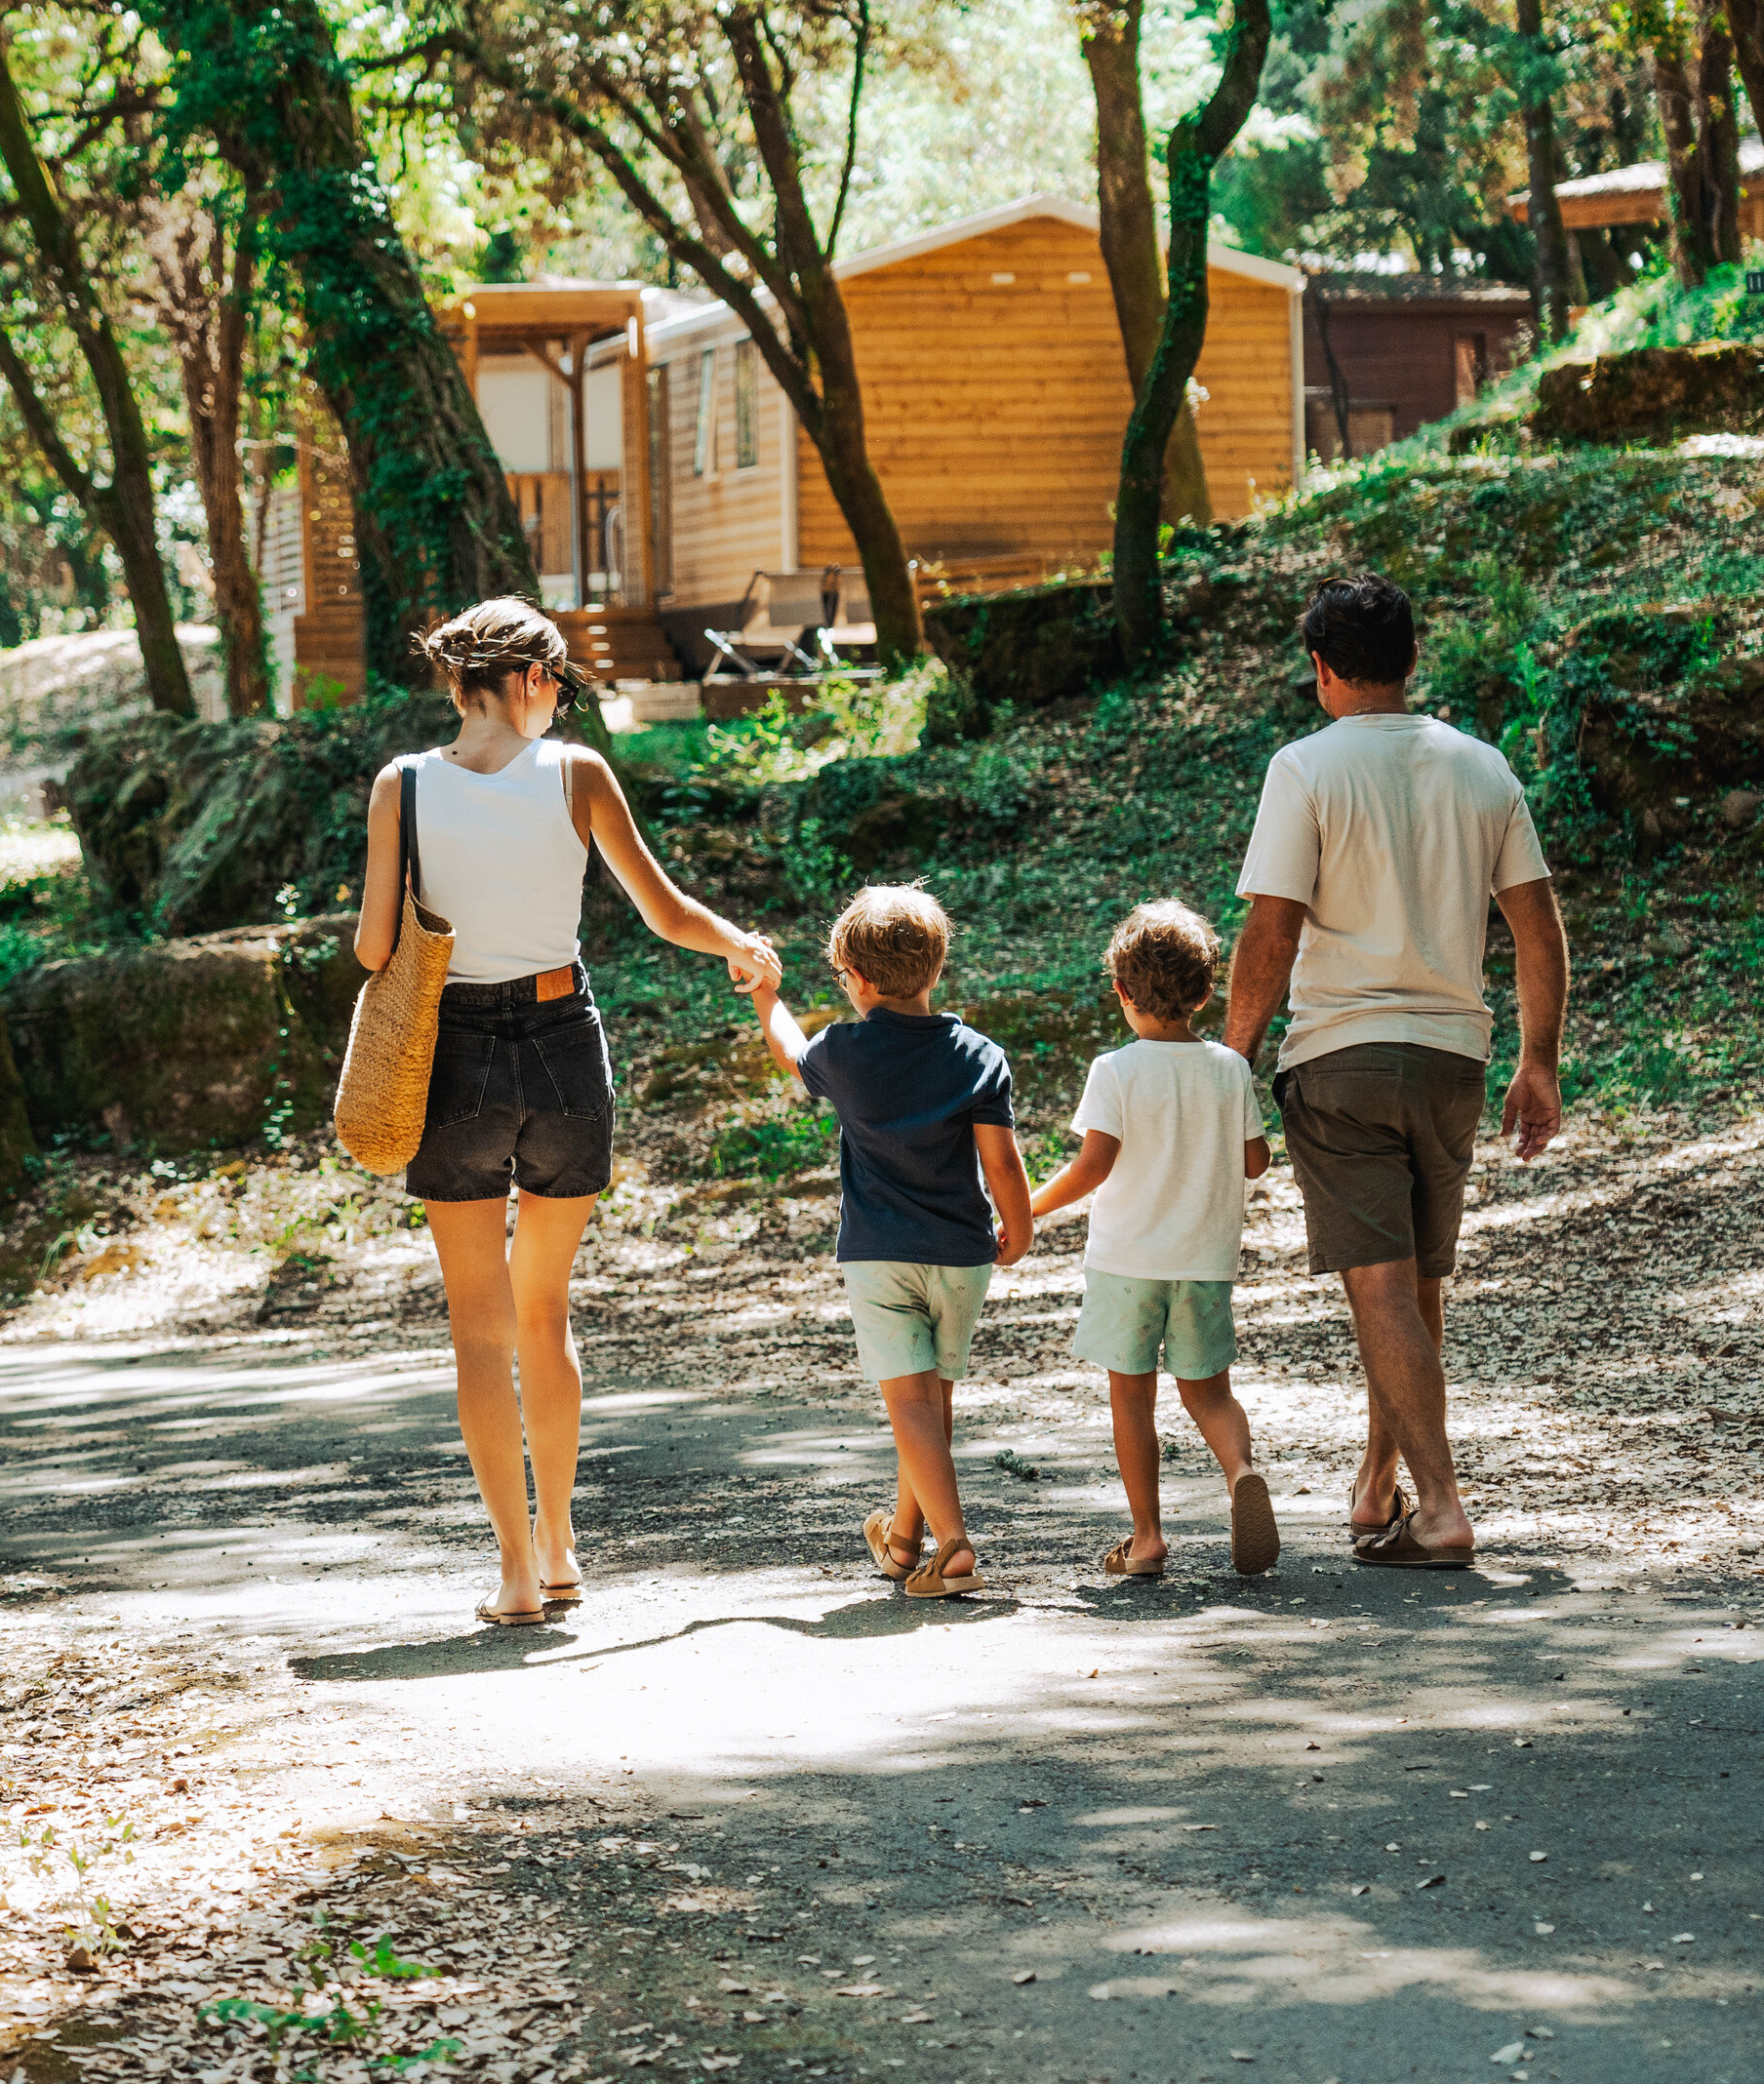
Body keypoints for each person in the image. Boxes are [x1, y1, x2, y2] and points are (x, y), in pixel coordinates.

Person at [353, 599, 779, 1628]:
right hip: (560, 1046)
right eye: (561, 687)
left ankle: (512, 1571)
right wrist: (741, 946)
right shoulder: (577, 773)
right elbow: (665, 910)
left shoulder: (402, 784)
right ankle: (559, 1547)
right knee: (544, 1312)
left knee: (478, 1328)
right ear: (534, 679)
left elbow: (372, 949)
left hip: (452, 1055)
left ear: (461, 683)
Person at [1225, 574, 1570, 1571]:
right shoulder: (1480, 766)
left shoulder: (1305, 767)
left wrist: (1230, 1060)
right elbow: (1537, 925)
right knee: (1415, 1287)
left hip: (1343, 1060)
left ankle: (1444, 1507)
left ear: (1321, 669)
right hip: (1454, 1061)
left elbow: (1272, 928)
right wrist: (1539, 1061)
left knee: (1381, 1289)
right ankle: (1379, 1484)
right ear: (1413, 658)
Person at [744, 883, 1033, 1598]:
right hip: (962, 1255)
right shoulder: (979, 1055)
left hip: (880, 1255)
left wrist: (766, 993)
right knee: (933, 1401)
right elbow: (1001, 1162)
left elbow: (787, 1051)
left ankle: (954, 1547)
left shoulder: (845, 1051)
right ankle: (904, 1541)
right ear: (935, 970)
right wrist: (1020, 1225)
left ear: (859, 980)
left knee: (909, 1403)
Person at [1026, 901, 1279, 1579]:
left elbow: (1092, 1166)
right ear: (1205, 992)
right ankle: (1241, 1473)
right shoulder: (1230, 1068)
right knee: (1209, 1392)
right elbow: (1256, 1161)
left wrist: (1027, 1208)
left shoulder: (1115, 1070)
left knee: (1132, 1398)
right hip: (1204, 1261)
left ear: (1121, 990)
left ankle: (1146, 1539)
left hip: (1127, 1262)